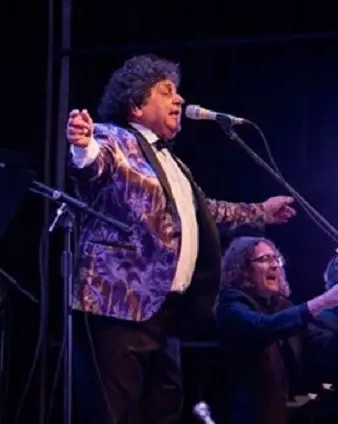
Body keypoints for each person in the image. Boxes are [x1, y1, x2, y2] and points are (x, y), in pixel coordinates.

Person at [65, 54, 297, 424]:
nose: (179, 99)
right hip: (119, 306)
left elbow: (207, 212)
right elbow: (95, 164)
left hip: (167, 313)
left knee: (164, 410)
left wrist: (261, 212)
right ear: (137, 104)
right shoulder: (114, 137)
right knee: (112, 413)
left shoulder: (175, 164)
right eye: (166, 91)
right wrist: (82, 147)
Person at [216, 236, 338, 424]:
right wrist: (324, 301)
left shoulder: (282, 306)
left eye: (276, 259)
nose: (274, 265)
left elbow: (322, 345)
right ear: (243, 269)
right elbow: (263, 327)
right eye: (264, 259)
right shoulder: (230, 304)